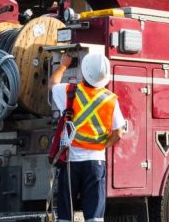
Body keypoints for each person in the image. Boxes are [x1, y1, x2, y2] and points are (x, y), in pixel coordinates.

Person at [49, 52, 126, 222]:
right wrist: (102, 145)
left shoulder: (70, 91)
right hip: (95, 162)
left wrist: (63, 65)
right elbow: (118, 133)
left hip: (71, 162)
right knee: (94, 217)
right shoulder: (110, 100)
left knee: (65, 215)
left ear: (84, 72)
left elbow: (52, 83)